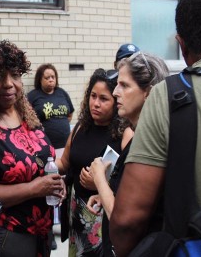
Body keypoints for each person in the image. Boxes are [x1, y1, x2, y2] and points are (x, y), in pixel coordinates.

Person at [109, 0, 201, 256]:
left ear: (181, 44)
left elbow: (127, 219)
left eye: (125, 85)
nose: (115, 92)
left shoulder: (171, 97)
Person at [0, 40, 65, 257]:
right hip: (7, 230)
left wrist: (55, 184)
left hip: (41, 229)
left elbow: (43, 160)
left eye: (14, 75)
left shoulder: (26, 113)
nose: (8, 84)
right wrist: (35, 188)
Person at [86, 52, 169, 257]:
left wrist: (100, 181)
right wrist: (108, 193)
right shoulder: (140, 137)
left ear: (149, 93)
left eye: (124, 85)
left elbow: (124, 223)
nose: (115, 92)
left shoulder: (148, 146)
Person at [56, 68, 132, 256]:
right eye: (93, 96)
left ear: (116, 101)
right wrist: (39, 161)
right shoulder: (80, 128)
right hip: (76, 215)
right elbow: (64, 163)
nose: (95, 104)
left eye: (104, 99)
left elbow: (132, 186)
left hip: (104, 218)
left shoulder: (125, 135)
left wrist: (100, 183)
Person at [27, 63, 74, 250]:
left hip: (65, 149)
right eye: (47, 77)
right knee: (51, 189)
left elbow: (70, 114)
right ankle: (49, 229)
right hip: (46, 153)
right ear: (40, 79)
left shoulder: (62, 93)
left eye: (53, 76)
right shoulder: (33, 97)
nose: (51, 80)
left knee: (63, 188)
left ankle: (63, 225)